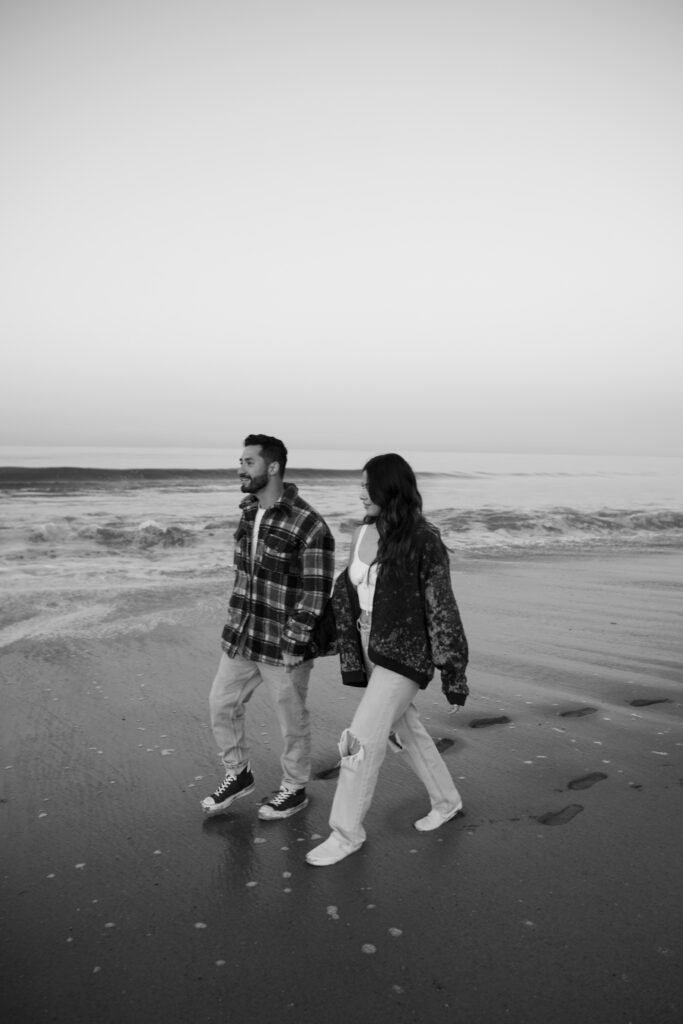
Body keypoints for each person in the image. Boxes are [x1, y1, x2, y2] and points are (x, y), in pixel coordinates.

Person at [306, 453, 468, 866]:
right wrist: (316, 639)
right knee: (407, 731)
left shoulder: (422, 541)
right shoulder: (363, 532)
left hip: (405, 652)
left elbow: (441, 608)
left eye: (368, 486)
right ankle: (447, 801)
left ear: (389, 488)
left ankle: (346, 834)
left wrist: (453, 672)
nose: (361, 493)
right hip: (369, 645)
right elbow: (345, 593)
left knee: (359, 739)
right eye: (360, 485)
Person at [202, 434, 335, 821]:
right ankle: (238, 773)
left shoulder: (309, 523)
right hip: (244, 636)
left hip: (283, 643)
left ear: (272, 467)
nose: (240, 469)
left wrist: (295, 640)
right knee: (221, 704)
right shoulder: (248, 512)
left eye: (248, 462)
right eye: (241, 462)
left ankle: (294, 789)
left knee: (291, 720)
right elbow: (243, 576)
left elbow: (316, 591)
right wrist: (233, 625)